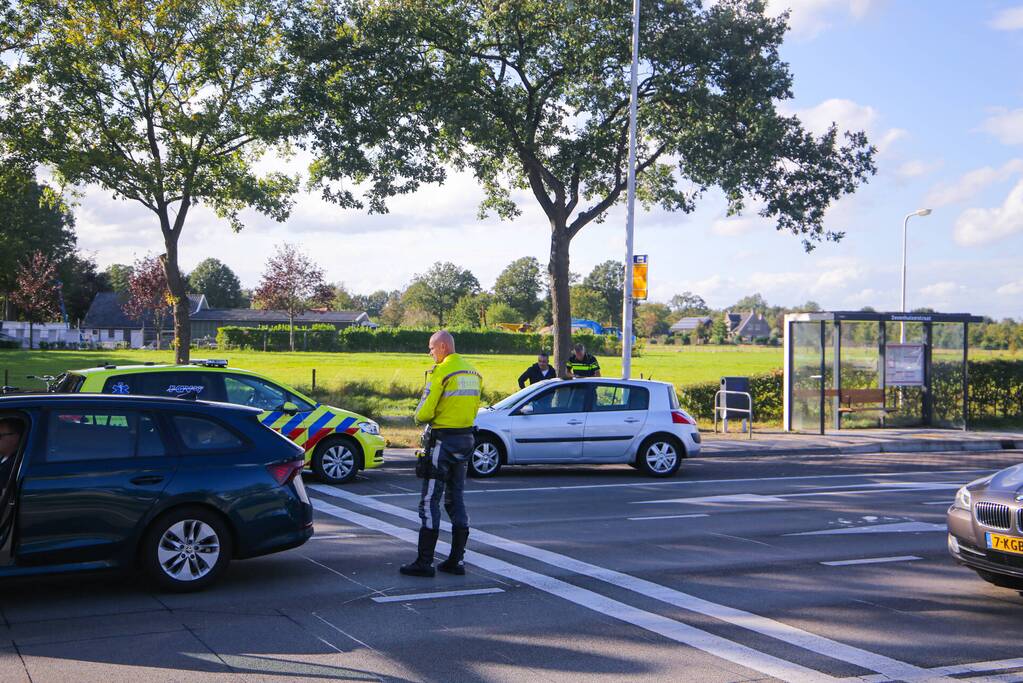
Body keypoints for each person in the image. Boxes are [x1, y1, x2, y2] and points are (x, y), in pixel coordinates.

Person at [401, 330, 483, 577]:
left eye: (432, 348)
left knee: (429, 501)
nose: (430, 352)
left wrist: (419, 415)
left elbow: (423, 414)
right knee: (456, 498)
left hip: (443, 442)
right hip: (466, 440)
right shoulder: (474, 373)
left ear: (444, 347)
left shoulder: (441, 372)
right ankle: (456, 561)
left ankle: (424, 562)